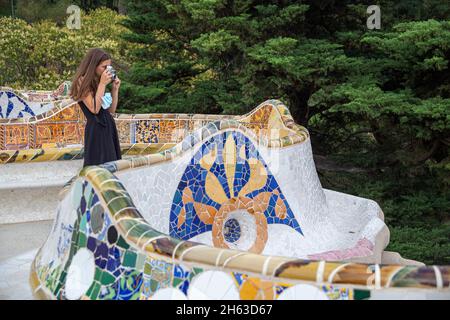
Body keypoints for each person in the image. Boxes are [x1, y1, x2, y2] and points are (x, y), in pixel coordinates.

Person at [70, 48, 122, 167]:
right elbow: (94, 109)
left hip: (108, 127)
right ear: (93, 66)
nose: (106, 71)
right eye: (104, 67)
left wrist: (115, 89)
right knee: (98, 168)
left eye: (109, 67)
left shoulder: (98, 82)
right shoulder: (81, 82)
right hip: (96, 130)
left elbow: (111, 111)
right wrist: (103, 84)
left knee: (112, 167)